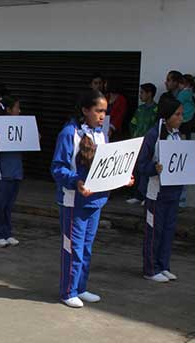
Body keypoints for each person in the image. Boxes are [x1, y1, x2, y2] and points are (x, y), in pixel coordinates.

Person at [51, 89, 130, 308]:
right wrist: (76, 181)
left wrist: (122, 177)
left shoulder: (100, 134)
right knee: (73, 248)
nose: (103, 115)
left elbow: (106, 166)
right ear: (85, 110)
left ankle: (80, 287)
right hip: (74, 202)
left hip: (96, 200)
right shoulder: (69, 133)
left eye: (105, 111)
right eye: (98, 111)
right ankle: (68, 291)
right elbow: (58, 168)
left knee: (86, 247)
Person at [137, 98, 190, 282]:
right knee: (154, 231)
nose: (181, 118)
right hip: (156, 194)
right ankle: (150, 269)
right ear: (166, 116)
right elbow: (141, 164)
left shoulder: (176, 135)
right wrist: (154, 169)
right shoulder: (153, 135)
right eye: (177, 114)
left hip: (173, 193)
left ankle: (163, 265)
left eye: (181, 114)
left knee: (168, 230)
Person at [0, 95, 23, 247]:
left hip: (15, 172)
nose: (19, 111)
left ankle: (7, 233)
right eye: (16, 108)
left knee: (8, 206)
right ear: (8, 110)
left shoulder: (19, 128)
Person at [127, 83, 159, 204]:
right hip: (137, 142)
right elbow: (133, 124)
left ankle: (146, 196)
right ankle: (137, 195)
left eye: (142, 92)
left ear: (149, 93)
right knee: (136, 169)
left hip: (149, 144)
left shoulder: (156, 109)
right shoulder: (140, 109)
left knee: (147, 170)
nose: (140, 95)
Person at [177, 74, 195, 139]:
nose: (179, 85)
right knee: (186, 134)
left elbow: (177, 103)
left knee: (183, 135)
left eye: (181, 83)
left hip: (185, 118)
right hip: (190, 117)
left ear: (187, 84)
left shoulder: (183, 93)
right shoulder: (189, 92)